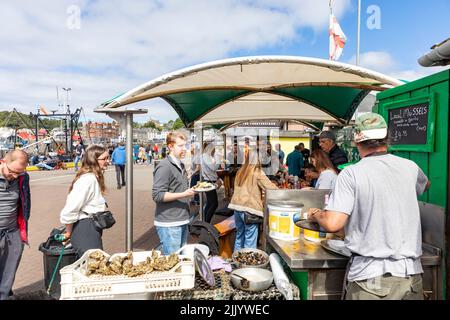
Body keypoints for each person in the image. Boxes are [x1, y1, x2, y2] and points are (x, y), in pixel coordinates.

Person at [308, 113, 431, 300]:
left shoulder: (351, 174)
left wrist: (316, 216)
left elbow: (333, 223)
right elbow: (426, 184)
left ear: (357, 142)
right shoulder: (410, 167)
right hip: (411, 277)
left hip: (372, 280)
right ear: (386, 139)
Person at [60, 145, 110, 257]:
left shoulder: (94, 178)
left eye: (108, 158)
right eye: (104, 159)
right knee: (94, 264)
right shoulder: (88, 180)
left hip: (91, 226)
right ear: (93, 160)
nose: (108, 161)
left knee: (94, 264)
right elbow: (71, 208)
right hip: (85, 227)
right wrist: (68, 232)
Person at [152, 131, 195, 255]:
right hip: (169, 223)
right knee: (173, 264)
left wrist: (189, 191)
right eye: (180, 146)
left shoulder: (180, 164)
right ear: (170, 146)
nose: (185, 149)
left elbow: (178, 189)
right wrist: (184, 194)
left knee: (181, 262)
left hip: (182, 219)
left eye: (185, 146)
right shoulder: (164, 166)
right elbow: (157, 195)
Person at [228, 148, 278, 251]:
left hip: (237, 207)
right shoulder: (257, 172)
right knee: (250, 241)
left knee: (239, 237)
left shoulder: (240, 171)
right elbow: (271, 188)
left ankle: (236, 263)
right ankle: (247, 266)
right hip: (250, 209)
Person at [0, 150, 30, 300]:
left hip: (13, 232)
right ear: (3, 162)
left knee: (8, 273)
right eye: (13, 172)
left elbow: (25, 202)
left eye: (20, 172)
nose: (16, 176)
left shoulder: (23, 178)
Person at [201, 141, 221, 223]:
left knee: (210, 203)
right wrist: (217, 157)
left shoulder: (206, 156)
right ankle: (206, 222)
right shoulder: (205, 156)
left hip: (209, 181)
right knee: (214, 204)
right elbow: (214, 167)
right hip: (209, 182)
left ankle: (205, 221)